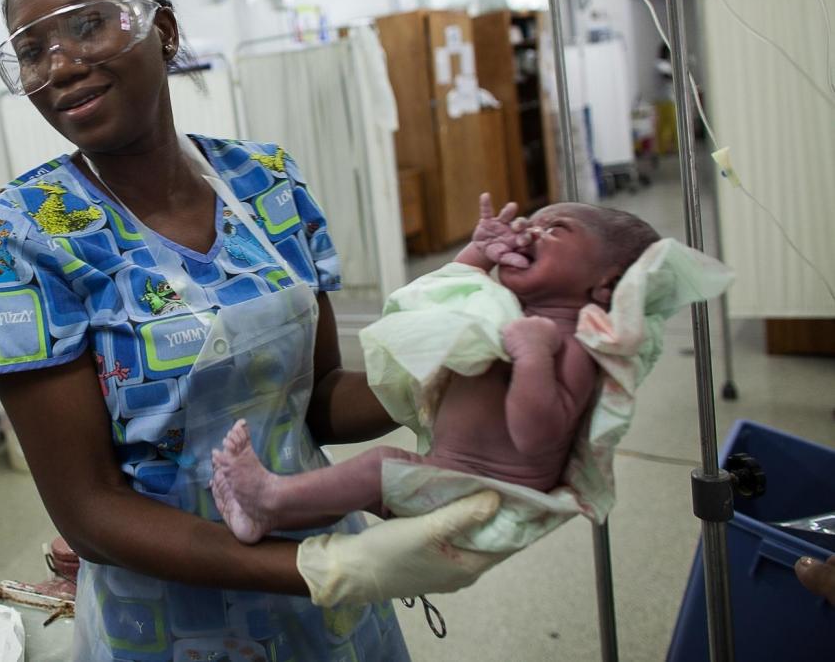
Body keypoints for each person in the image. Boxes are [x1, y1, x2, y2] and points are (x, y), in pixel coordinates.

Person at [0, 0, 501, 662]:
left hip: (330, 613)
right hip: (172, 623)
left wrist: (444, 356)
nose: (59, 64)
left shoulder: (265, 183)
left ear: (165, 30)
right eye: (30, 49)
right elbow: (87, 511)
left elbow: (317, 402)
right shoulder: (21, 234)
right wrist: (322, 569)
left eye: (87, 24)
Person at [211, 194, 661, 544]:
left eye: (556, 229)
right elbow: (432, 299)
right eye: (531, 221)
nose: (529, 231)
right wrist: (478, 254)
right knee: (361, 486)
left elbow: (537, 434)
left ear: (606, 285)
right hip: (451, 471)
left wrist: (532, 358)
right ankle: (266, 516)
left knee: (375, 469)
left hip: (484, 490)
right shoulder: (513, 310)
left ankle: (271, 499)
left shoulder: (573, 345)